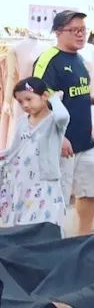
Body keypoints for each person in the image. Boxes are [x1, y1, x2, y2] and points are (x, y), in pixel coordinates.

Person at [33, 10, 94, 236]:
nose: (81, 35)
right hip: (61, 145)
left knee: (91, 191)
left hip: (85, 141)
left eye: (83, 30)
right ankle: (55, 243)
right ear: (58, 32)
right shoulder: (49, 60)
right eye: (75, 30)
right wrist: (59, 136)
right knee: (57, 197)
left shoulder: (81, 60)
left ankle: (82, 238)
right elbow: (38, 101)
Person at [0, 77, 69, 229]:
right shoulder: (21, 122)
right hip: (21, 180)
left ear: (44, 96)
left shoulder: (53, 121)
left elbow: (63, 116)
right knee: (21, 223)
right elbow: (15, 149)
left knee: (44, 223)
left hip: (45, 181)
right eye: (20, 101)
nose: (25, 105)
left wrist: (55, 99)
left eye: (29, 99)